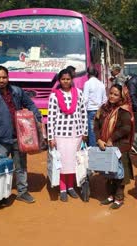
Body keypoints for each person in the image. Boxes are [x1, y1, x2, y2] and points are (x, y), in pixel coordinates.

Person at [0, 65, 43, 205]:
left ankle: (22, 191)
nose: (1, 80)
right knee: (1, 169)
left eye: (4, 77)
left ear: (8, 77)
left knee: (21, 165)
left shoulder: (16, 91)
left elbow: (30, 104)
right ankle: (1, 195)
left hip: (19, 136)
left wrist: (38, 118)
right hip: (0, 140)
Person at [47, 68, 88, 202]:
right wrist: (51, 137)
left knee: (73, 162)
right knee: (62, 163)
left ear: (72, 80)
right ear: (59, 80)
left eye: (68, 79)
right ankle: (63, 188)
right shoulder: (54, 95)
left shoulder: (79, 93)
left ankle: (71, 187)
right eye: (63, 79)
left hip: (76, 134)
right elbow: (51, 117)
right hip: (60, 134)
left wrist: (84, 132)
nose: (66, 81)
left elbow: (83, 114)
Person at [94, 84, 134, 209]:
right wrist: (99, 139)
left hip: (119, 146)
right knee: (107, 172)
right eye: (111, 93)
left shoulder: (124, 110)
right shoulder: (104, 108)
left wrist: (112, 138)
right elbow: (96, 124)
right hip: (105, 145)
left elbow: (126, 128)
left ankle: (119, 198)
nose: (112, 96)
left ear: (122, 96)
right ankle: (110, 195)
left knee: (119, 174)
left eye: (116, 94)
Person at [83, 66, 106, 147]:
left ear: (88, 74)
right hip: (100, 111)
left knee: (92, 132)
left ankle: (93, 151)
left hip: (91, 111)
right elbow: (104, 100)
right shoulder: (101, 84)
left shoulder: (87, 83)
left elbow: (85, 99)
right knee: (99, 131)